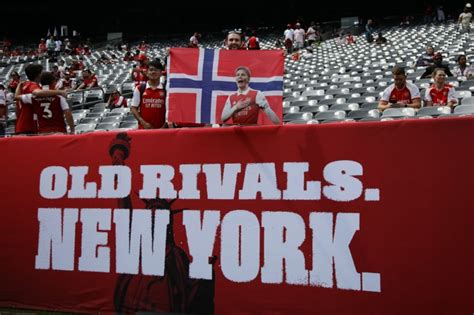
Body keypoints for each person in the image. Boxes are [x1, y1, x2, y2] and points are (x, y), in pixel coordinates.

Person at [14, 64, 67, 134]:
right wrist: (60, 92)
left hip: (21, 125)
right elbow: (37, 93)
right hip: (28, 125)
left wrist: (19, 85)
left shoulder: (25, 85)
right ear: (39, 74)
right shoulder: (32, 85)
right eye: (42, 72)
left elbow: (16, 97)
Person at [131, 59, 167, 129]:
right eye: (151, 70)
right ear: (147, 73)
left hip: (162, 130)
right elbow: (133, 108)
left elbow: (171, 110)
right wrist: (143, 122)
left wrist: (165, 126)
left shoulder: (166, 89)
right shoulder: (139, 88)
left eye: (156, 70)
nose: (153, 72)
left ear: (161, 73)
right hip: (144, 130)